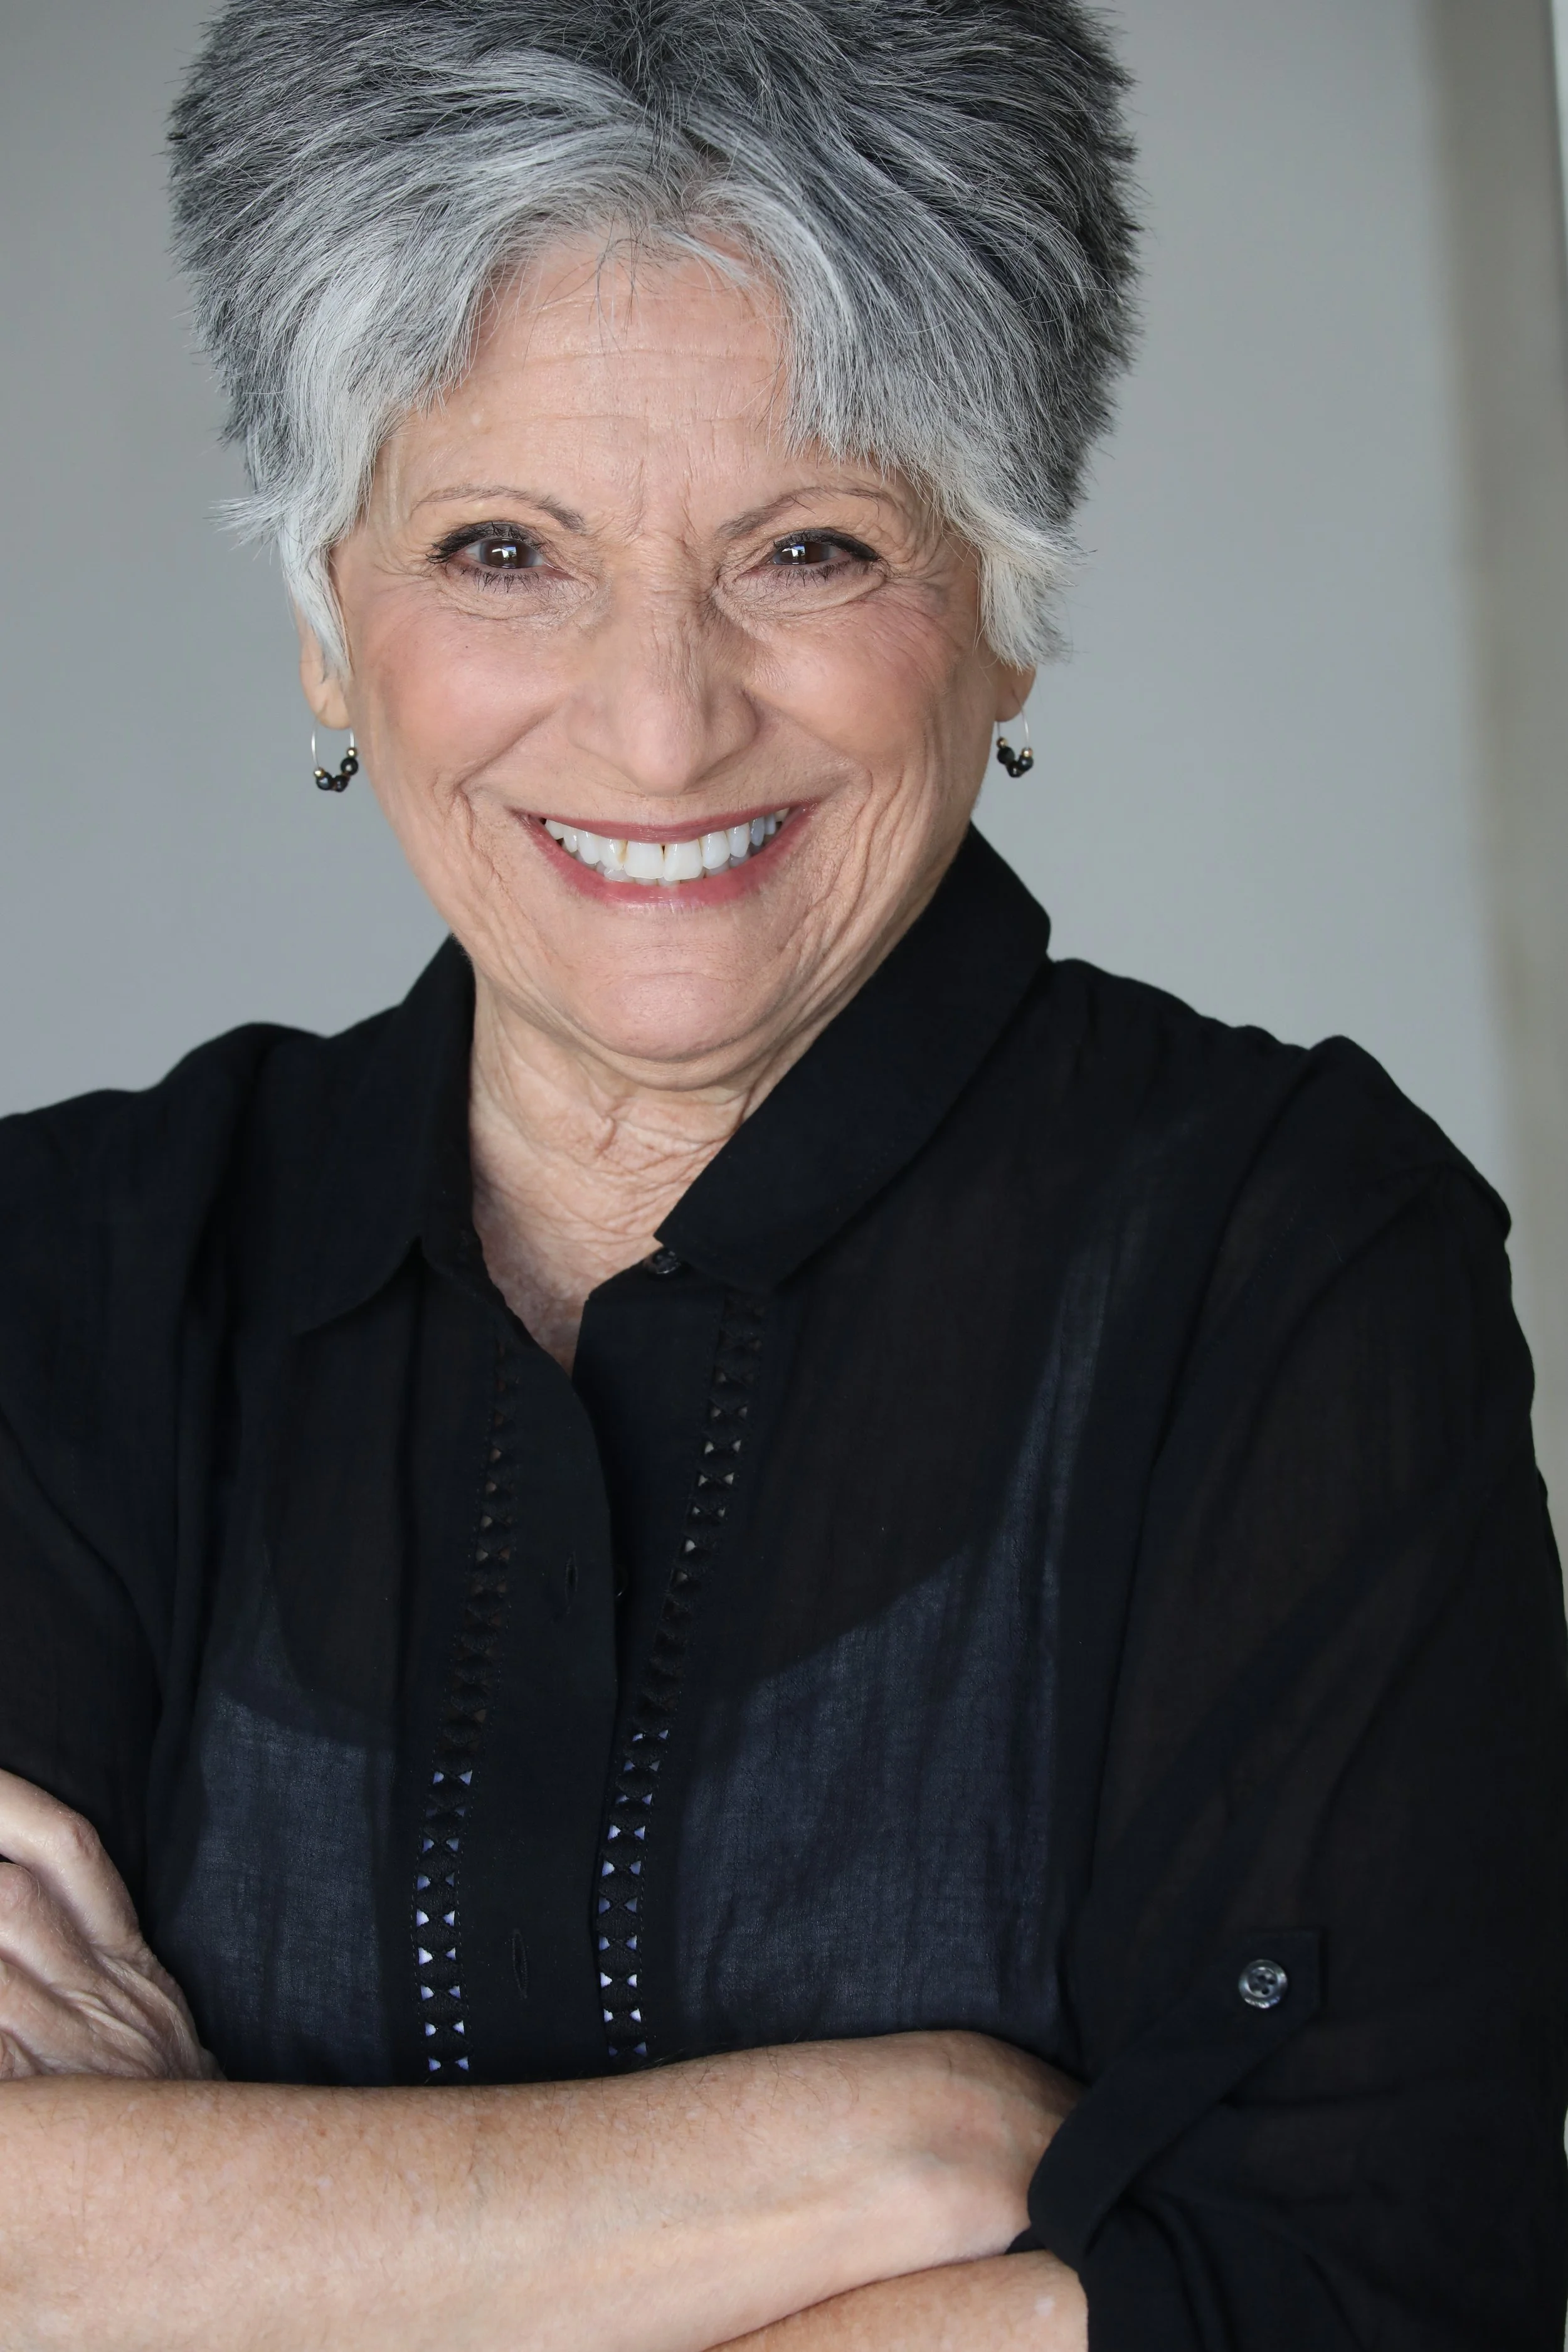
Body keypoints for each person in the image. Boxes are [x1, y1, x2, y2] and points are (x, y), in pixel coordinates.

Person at [0, 0, 1564, 2344]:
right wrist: (902, 2150)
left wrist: (213, 2241)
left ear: (1000, 610)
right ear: (329, 621)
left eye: (807, 548)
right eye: (503, 549)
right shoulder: (60, 1276)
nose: (659, 723)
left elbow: (1352, 2290)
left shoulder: (1286, 1261)